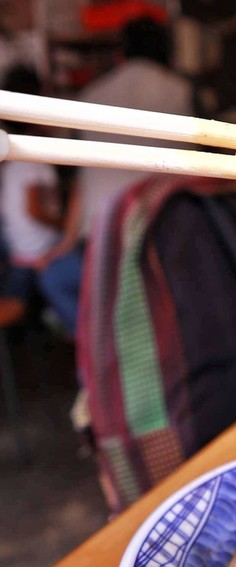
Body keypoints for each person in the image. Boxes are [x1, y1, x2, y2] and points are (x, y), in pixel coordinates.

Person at [39, 15, 194, 337]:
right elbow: (199, 171)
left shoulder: (90, 96)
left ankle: (95, 346)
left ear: (121, 54)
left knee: (57, 279)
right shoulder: (181, 91)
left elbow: (82, 181)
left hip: (102, 239)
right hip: (163, 234)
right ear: (167, 53)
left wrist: (65, 243)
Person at [0, 65, 62, 307]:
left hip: (16, 244)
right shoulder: (31, 155)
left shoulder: (11, 150)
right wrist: (64, 226)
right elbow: (34, 210)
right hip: (35, 249)